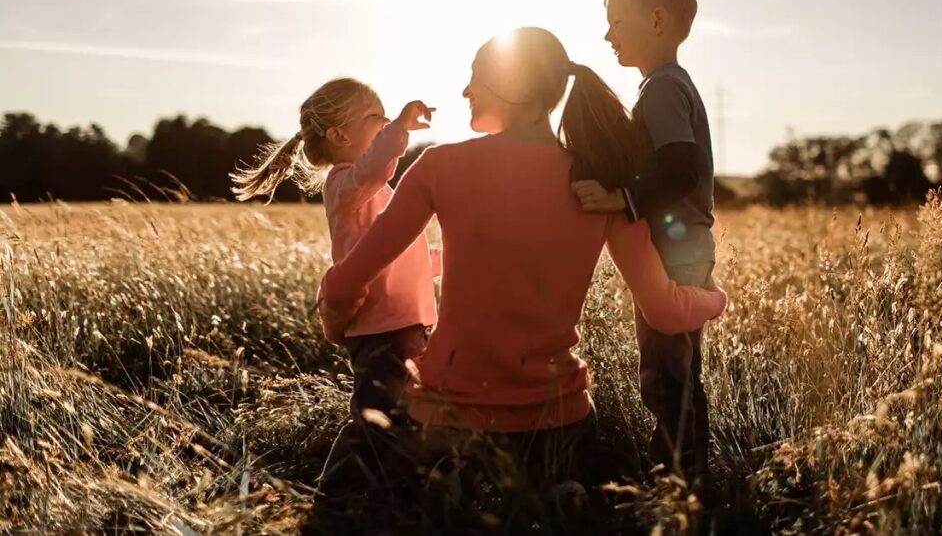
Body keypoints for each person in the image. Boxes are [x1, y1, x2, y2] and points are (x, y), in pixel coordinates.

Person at [318, 27, 726, 488]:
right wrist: (715, 299)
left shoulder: (438, 167)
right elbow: (667, 311)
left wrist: (335, 322)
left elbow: (345, 282)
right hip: (558, 433)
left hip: (443, 432)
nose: (466, 91)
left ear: (512, 86)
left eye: (475, 78)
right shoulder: (601, 188)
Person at [231, 79, 439, 476]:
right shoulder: (345, 185)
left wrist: (451, 258)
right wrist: (400, 128)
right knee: (374, 423)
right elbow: (374, 168)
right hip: (381, 330)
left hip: (403, 324)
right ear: (340, 135)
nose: (384, 122)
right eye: (375, 117)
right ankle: (338, 495)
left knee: (406, 418)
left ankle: (393, 491)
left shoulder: (371, 190)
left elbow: (403, 254)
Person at [571, 0, 718, 478]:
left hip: (675, 250)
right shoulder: (671, 85)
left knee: (665, 373)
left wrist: (620, 199)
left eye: (615, 22)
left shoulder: (660, 90)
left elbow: (682, 169)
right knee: (679, 371)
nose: (607, 34)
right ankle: (688, 471)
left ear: (656, 20)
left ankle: (677, 480)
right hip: (687, 246)